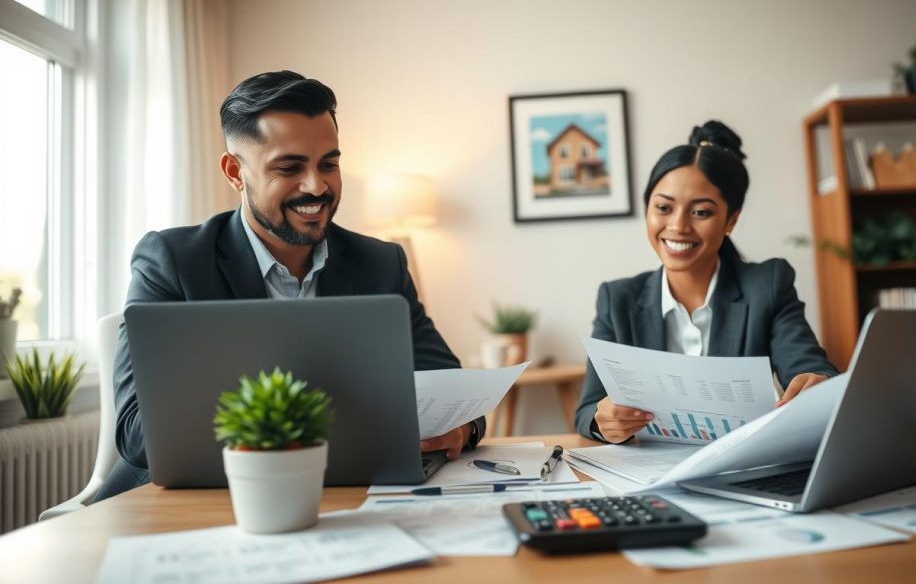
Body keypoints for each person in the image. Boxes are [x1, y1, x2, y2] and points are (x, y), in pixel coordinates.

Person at [96, 71, 483, 500]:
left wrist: (462, 426)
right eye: (289, 167)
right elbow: (137, 433)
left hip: (348, 498)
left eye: (329, 164)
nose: (317, 186)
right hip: (190, 501)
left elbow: (451, 386)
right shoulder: (173, 262)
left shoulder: (380, 262)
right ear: (234, 172)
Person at [575, 120, 838, 444]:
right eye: (663, 208)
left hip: (740, 466)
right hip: (649, 473)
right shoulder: (617, 299)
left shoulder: (767, 286)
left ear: (731, 220)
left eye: (700, 212)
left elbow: (809, 366)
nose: (678, 226)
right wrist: (604, 421)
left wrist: (819, 382)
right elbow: (588, 410)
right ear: (648, 209)